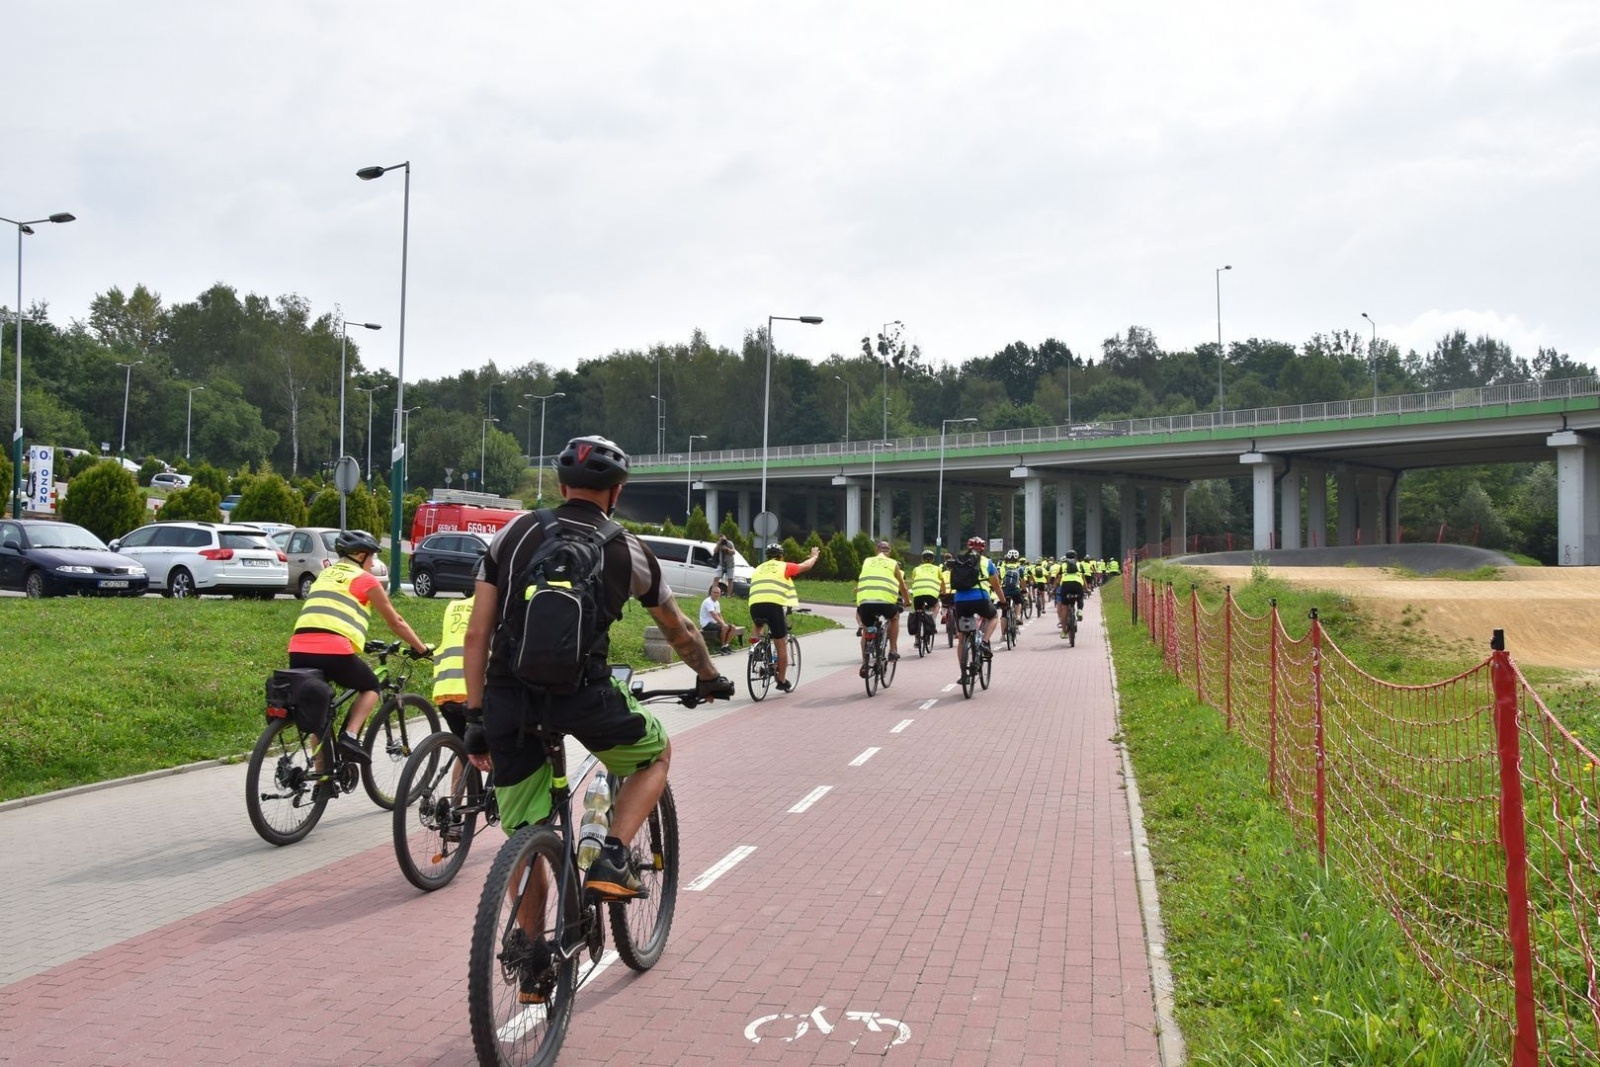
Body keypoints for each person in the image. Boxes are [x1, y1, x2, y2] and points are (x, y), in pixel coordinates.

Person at [461, 435, 734, 911]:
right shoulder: (627, 549)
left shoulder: (514, 533)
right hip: (586, 695)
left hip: (509, 697)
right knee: (656, 754)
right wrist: (709, 675)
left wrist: (476, 716)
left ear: (561, 485)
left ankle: (532, 970)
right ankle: (612, 855)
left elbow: (476, 636)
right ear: (618, 491)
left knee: (525, 840)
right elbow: (680, 630)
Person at [287, 529, 431, 765]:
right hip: (332, 651)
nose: (372, 562)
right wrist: (421, 647)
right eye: (371, 557)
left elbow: (328, 613)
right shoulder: (364, 580)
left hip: (298, 649)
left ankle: (323, 779)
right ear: (361, 555)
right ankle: (351, 736)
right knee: (371, 685)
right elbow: (395, 621)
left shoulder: (325, 575)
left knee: (319, 717)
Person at [747, 541, 821, 692]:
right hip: (773, 606)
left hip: (754, 605)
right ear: (781, 556)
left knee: (758, 624)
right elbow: (805, 566)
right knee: (781, 644)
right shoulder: (784, 566)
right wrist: (814, 556)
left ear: (767, 557)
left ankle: (756, 648)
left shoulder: (758, 568)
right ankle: (781, 680)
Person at [949, 536, 1005, 680]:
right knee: (993, 616)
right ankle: (985, 642)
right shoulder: (987, 562)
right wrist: (1003, 601)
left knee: (962, 638)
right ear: (983, 549)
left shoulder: (958, 560)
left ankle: (963, 674)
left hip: (960, 601)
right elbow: (996, 585)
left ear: (968, 547)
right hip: (980, 599)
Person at [855, 540, 913, 675]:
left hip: (865, 602)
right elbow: (902, 586)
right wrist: (907, 601)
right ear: (890, 552)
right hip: (886, 602)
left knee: (866, 630)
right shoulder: (893, 563)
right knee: (894, 618)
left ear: (876, 550)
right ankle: (892, 651)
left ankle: (865, 663)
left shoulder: (867, 561)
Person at [908, 548, 944, 640]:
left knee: (917, 613)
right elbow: (942, 582)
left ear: (922, 559)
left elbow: (914, 581)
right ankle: (932, 620)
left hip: (917, 594)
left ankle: (917, 640)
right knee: (936, 605)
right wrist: (943, 591)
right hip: (931, 594)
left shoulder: (916, 569)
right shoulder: (937, 569)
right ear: (933, 559)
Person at [699, 580, 736, 653]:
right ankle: (722, 646)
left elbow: (719, 614)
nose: (716, 594)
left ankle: (726, 645)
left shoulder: (717, 603)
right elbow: (714, 615)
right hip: (707, 624)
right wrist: (723, 624)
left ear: (720, 594)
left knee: (733, 627)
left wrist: (723, 622)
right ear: (711, 593)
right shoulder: (708, 601)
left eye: (718, 593)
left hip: (714, 623)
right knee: (723, 627)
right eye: (714, 592)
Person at [1056, 550, 1087, 637]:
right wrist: (1086, 588)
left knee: (1065, 608)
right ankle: (1080, 611)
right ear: (1075, 557)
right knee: (1080, 598)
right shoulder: (1079, 564)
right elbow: (1083, 578)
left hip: (1066, 585)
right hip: (1077, 585)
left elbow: (1058, 578)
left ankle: (1064, 632)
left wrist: (1055, 587)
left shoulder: (1063, 565)